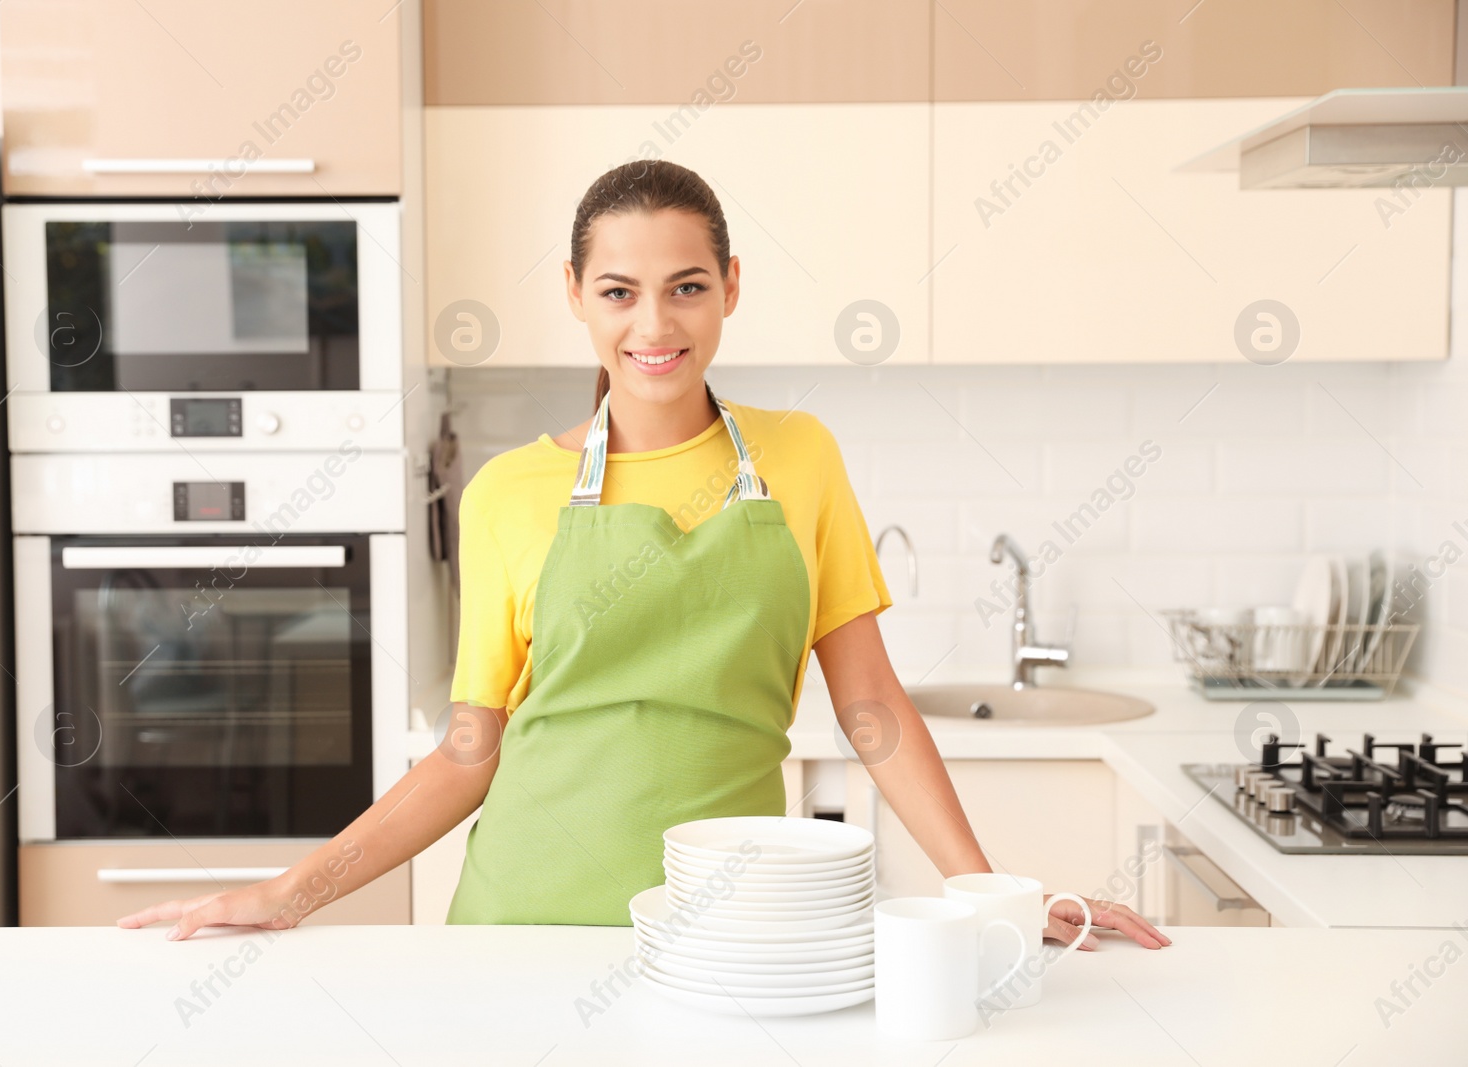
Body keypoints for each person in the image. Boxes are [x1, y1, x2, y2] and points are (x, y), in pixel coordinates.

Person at [118, 159, 1171, 951]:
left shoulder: (800, 457)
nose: (654, 323)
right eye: (618, 290)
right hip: (523, 925)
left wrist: (990, 896)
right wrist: (286, 893)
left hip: (733, 926)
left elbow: (872, 713)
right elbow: (467, 753)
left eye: (686, 286)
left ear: (730, 287)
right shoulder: (508, 494)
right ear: (575, 294)